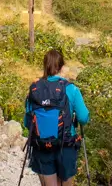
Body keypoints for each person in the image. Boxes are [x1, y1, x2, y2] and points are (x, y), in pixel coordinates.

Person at [24, 48, 89, 185]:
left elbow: (27, 122)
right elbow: (83, 117)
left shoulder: (34, 89)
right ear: (62, 67)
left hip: (41, 146)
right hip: (66, 146)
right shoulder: (71, 89)